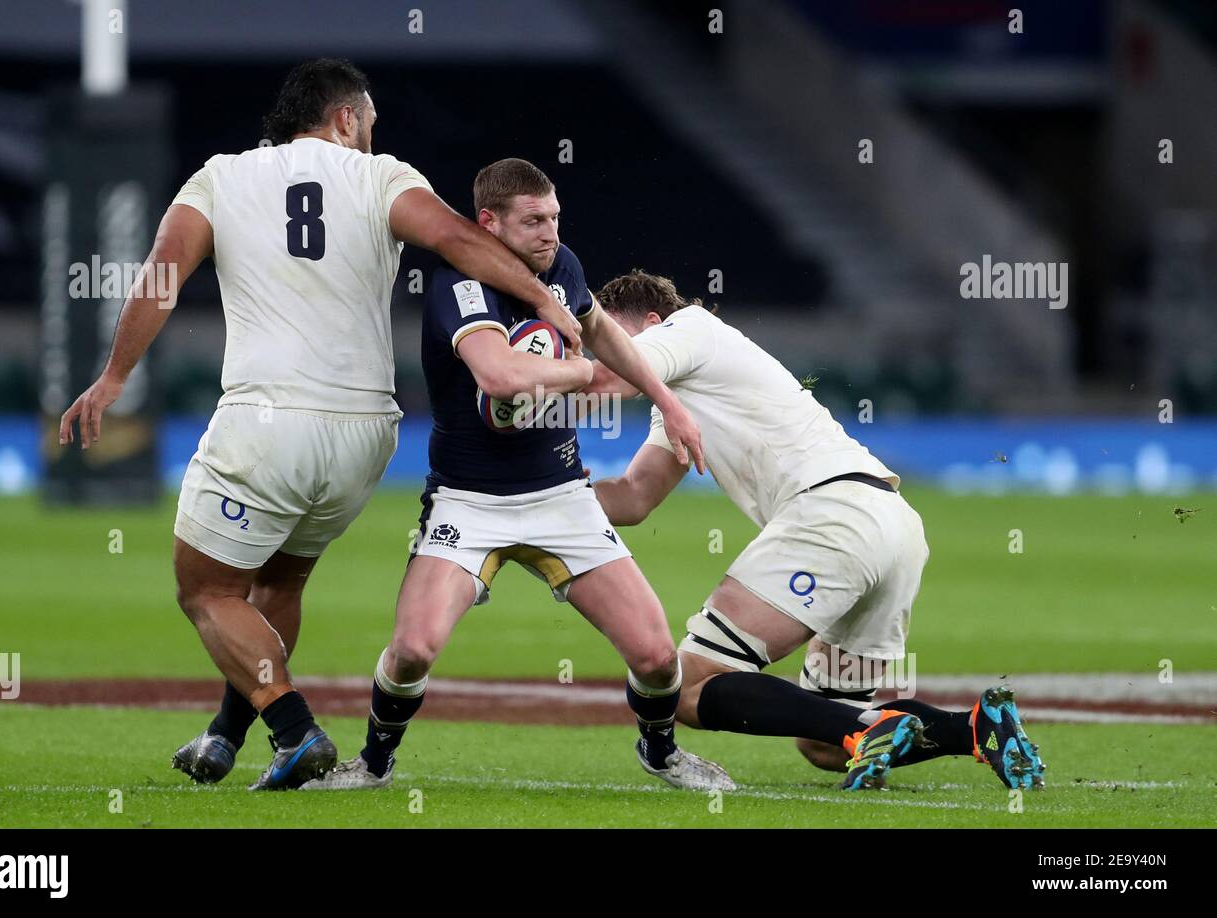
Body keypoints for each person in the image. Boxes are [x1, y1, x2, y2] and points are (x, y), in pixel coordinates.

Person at [59, 60, 582, 791]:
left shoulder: (220, 177)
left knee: (206, 591)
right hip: (366, 435)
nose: (373, 134)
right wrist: (548, 301)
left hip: (268, 422)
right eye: (369, 120)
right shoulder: (382, 177)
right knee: (277, 582)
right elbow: (462, 241)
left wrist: (115, 375)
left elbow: (160, 277)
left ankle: (293, 728)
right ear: (344, 118)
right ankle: (225, 734)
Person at [304, 160, 732, 792]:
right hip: (466, 501)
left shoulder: (564, 269)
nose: (549, 232)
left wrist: (666, 401)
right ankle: (373, 764)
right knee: (414, 649)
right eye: (533, 220)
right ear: (488, 223)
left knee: (657, 656)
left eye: (554, 218)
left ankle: (662, 752)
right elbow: (500, 377)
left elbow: (601, 332)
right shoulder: (458, 284)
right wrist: (583, 374)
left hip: (561, 495)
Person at [579, 270, 1045, 790]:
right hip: (889, 525)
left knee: (688, 684)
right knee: (824, 742)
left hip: (831, 518)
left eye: (610, 338)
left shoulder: (690, 328)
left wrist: (516, 380)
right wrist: (557, 489)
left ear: (651, 322)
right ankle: (977, 729)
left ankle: (866, 732)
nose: (604, 351)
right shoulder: (681, 403)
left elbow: (607, 380)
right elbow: (634, 497)